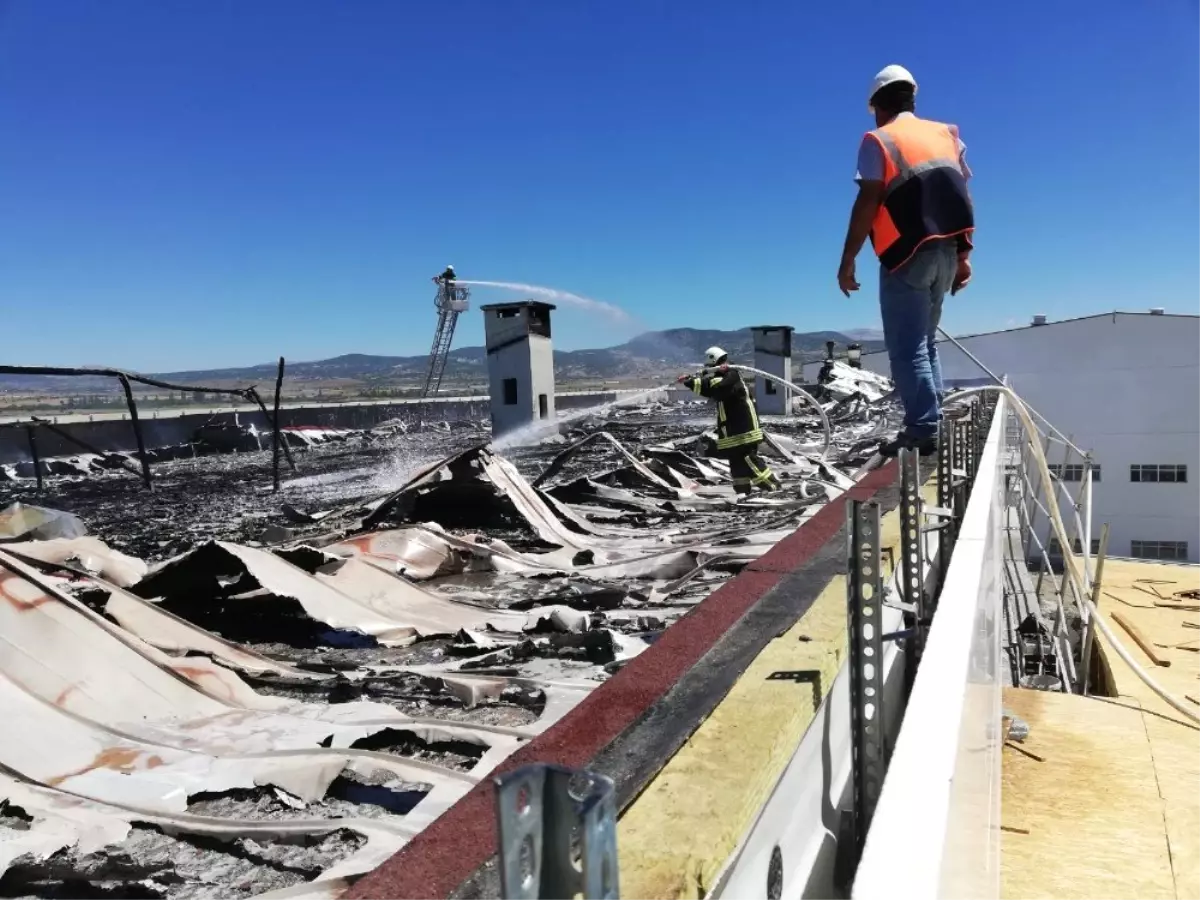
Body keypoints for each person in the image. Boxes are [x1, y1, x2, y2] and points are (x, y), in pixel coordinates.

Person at [836, 65, 975, 457]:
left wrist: (848, 258)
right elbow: (962, 197)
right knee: (925, 343)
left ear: (878, 106)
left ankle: (923, 429)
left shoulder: (878, 140)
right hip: (948, 250)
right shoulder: (946, 136)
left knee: (907, 347)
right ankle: (929, 420)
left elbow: (868, 200)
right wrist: (964, 256)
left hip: (907, 254)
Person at [678, 346, 781, 495]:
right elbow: (707, 388)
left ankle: (773, 487)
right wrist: (689, 381)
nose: (709, 370)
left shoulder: (732, 375)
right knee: (737, 465)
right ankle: (742, 493)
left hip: (744, 428)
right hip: (732, 431)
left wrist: (700, 379)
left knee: (748, 460)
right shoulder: (723, 377)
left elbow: (717, 389)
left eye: (710, 367)